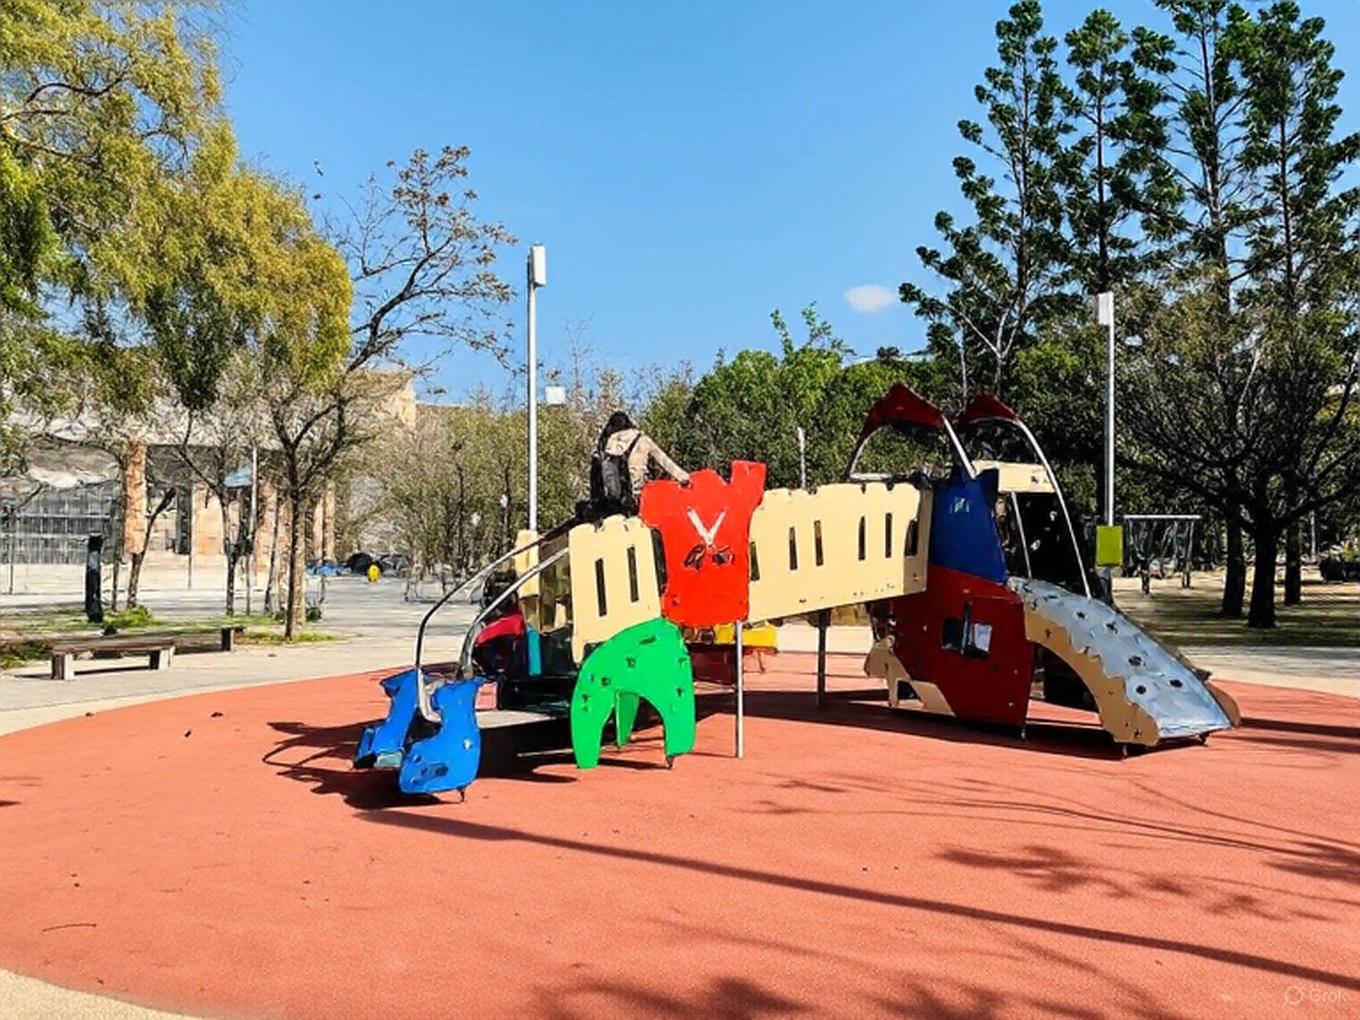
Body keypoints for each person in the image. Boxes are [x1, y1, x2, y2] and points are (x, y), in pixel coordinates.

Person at [587, 411, 689, 517]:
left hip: (611, 502)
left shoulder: (607, 442)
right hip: (637, 498)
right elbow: (664, 461)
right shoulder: (642, 439)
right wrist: (683, 477)